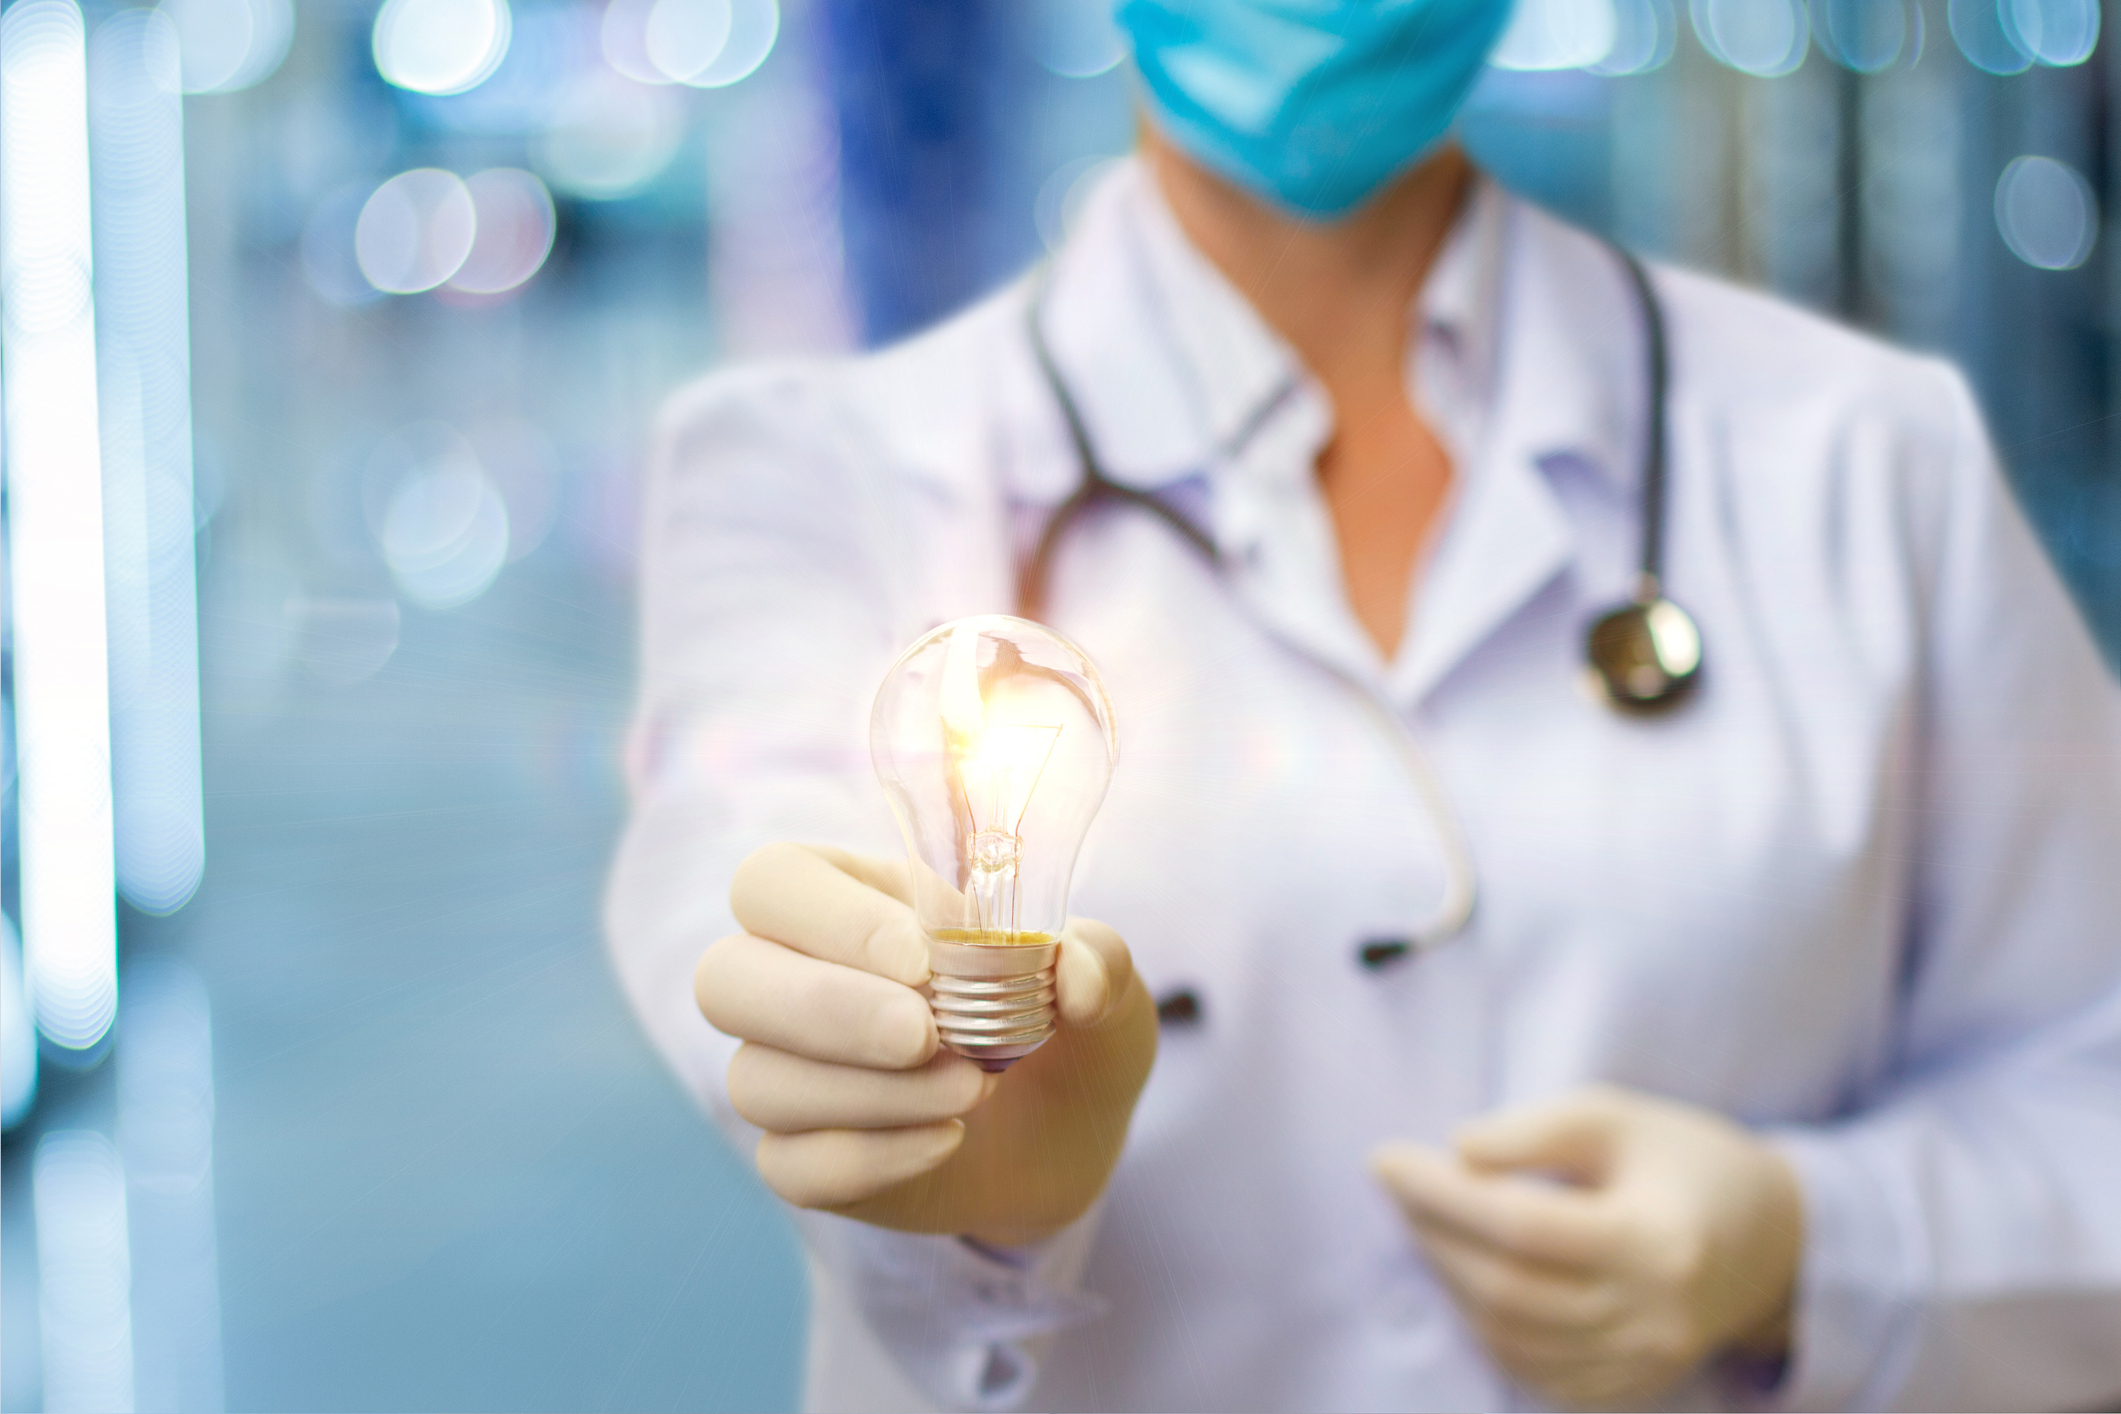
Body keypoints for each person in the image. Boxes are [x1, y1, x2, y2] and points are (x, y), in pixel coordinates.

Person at [604, 1, 2121, 1409]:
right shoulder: (803, 479)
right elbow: (746, 884)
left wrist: (1806, 1244)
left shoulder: (1873, 463)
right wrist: (938, 1127)